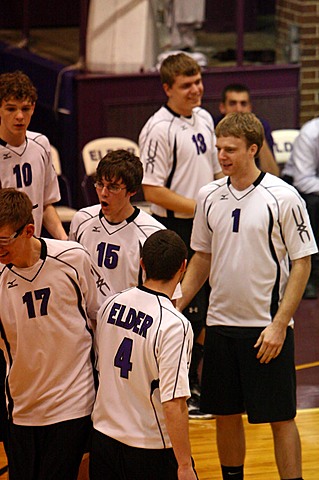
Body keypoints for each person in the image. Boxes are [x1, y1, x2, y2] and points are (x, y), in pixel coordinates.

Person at [178, 112, 318, 480]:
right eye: (219, 148)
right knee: (225, 414)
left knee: (280, 418)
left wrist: (279, 324)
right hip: (221, 325)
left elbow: (302, 264)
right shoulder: (209, 196)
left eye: (230, 149)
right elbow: (202, 256)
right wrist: (176, 303)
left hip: (265, 330)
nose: (221, 156)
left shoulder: (284, 197)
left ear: (253, 149)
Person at [139, 52, 223, 418]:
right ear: (168, 88)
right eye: (187, 85)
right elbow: (152, 190)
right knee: (184, 310)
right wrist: (200, 205)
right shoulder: (159, 129)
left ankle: (197, 384)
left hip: (206, 223)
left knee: (208, 306)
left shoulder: (205, 117)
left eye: (198, 81)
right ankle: (182, 387)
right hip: (176, 228)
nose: (196, 89)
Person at [0, 188, 100, 480]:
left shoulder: (73, 258)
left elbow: (96, 316)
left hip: (73, 403)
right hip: (22, 408)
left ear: (29, 230)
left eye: (4, 240)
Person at [90, 229, 197, 480]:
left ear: (142, 264)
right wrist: (184, 465)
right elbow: (173, 403)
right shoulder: (174, 324)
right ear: (183, 267)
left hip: (103, 439)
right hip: (149, 447)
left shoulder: (110, 304)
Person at [69, 149, 169, 296]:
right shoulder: (82, 220)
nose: (103, 193)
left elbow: (165, 298)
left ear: (132, 191)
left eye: (113, 187)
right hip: (85, 317)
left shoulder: (152, 234)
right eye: (99, 184)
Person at [0, 70, 68, 240]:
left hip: (31, 250)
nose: (19, 116)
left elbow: (45, 205)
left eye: (25, 108)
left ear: (34, 108)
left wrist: (66, 242)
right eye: (11, 109)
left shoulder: (41, 144)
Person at [282, 117, 319, 299]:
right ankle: (308, 276)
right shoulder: (310, 134)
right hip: (301, 187)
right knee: (312, 205)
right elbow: (304, 181)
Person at [214, 83, 279, 176]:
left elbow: (273, 174)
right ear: (222, 107)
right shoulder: (212, 126)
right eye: (233, 103)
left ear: (250, 107)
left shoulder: (261, 126)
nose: (238, 109)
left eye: (243, 104)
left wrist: (257, 133)